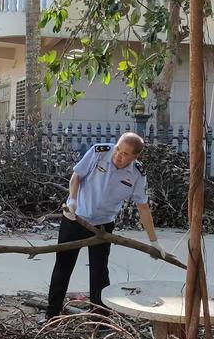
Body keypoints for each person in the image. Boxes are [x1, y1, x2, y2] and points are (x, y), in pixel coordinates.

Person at [46, 132, 165, 320]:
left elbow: (143, 207)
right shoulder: (99, 152)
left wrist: (154, 242)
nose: (118, 155)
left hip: (103, 226)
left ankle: (101, 320)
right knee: (63, 266)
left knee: (99, 271)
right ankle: (51, 315)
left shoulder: (137, 173)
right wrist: (73, 200)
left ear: (135, 157)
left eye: (126, 154)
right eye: (118, 149)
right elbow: (76, 176)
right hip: (75, 217)